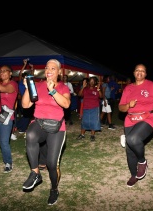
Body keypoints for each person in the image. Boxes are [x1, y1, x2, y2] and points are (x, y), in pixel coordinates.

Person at [22, 59, 70, 206]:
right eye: (47, 68)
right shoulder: (36, 85)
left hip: (56, 127)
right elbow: (25, 105)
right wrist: (27, 89)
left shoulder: (63, 87)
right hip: (39, 123)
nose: (49, 70)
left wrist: (53, 90)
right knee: (30, 134)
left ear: (59, 72)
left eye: (53, 68)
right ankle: (35, 173)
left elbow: (66, 104)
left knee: (51, 164)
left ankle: (54, 189)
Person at [118, 64, 153, 187]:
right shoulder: (128, 88)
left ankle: (142, 161)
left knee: (133, 139)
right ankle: (134, 175)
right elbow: (121, 107)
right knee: (129, 150)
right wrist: (128, 105)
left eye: (142, 71)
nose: (140, 72)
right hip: (130, 120)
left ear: (146, 74)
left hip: (148, 117)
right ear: (134, 73)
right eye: (137, 70)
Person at [77, 76, 102, 141]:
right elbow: (79, 95)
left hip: (94, 108)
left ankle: (92, 135)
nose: (91, 82)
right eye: (90, 81)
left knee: (93, 122)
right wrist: (83, 87)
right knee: (84, 121)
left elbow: (101, 96)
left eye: (93, 81)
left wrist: (99, 89)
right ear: (88, 82)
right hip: (86, 107)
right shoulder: (85, 89)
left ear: (95, 82)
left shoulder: (97, 89)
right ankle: (82, 134)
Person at [14, 59, 35, 137]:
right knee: (26, 116)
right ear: (22, 77)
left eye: (27, 77)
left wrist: (32, 69)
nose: (25, 78)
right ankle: (19, 127)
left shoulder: (29, 82)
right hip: (21, 100)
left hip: (29, 101)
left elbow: (32, 76)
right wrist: (24, 65)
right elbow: (20, 74)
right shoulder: (21, 82)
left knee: (27, 116)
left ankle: (21, 128)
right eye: (24, 77)